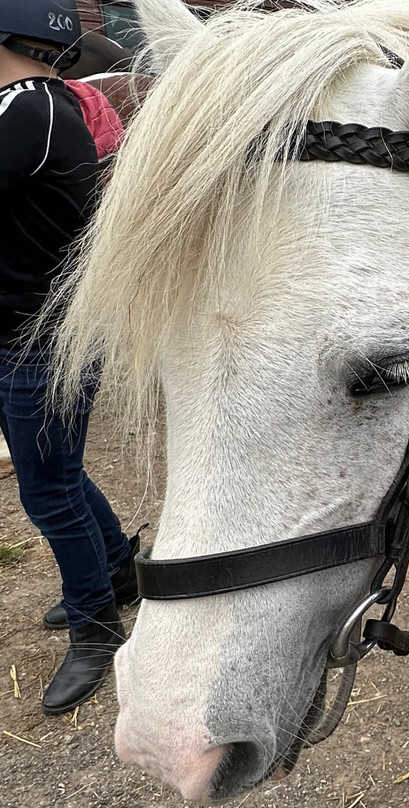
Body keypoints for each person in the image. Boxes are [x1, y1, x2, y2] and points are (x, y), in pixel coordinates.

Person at [1, 1, 135, 715]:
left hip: (38, 341)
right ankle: (115, 571)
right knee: (56, 474)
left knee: (47, 489)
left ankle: (96, 626)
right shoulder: (47, 105)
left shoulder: (26, 110)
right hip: (29, 333)